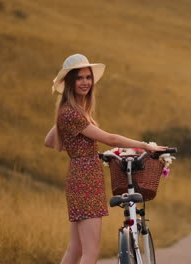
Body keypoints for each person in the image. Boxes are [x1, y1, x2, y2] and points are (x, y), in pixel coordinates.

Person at [44, 54, 167, 264]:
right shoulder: (72, 114)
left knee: (75, 249)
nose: (85, 82)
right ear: (69, 82)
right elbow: (110, 139)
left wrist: (77, 146)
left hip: (79, 176)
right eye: (79, 78)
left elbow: (49, 140)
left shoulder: (69, 112)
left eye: (88, 77)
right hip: (86, 180)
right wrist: (145, 146)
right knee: (90, 251)